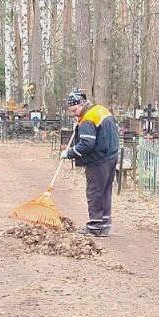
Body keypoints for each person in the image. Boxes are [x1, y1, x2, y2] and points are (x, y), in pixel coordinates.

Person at [61, 89, 120, 237]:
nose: (74, 114)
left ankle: (94, 226)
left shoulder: (88, 119)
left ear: (81, 104)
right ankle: (104, 225)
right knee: (105, 191)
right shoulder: (100, 110)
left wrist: (69, 153)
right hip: (111, 156)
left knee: (94, 192)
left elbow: (87, 144)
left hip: (98, 160)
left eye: (75, 110)